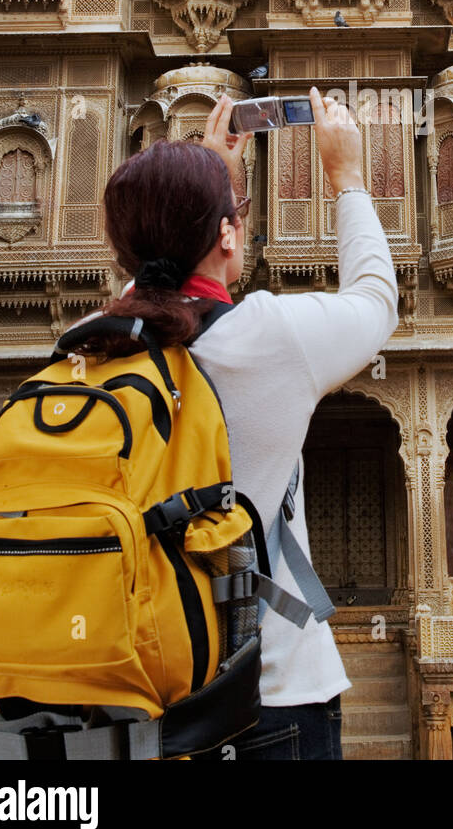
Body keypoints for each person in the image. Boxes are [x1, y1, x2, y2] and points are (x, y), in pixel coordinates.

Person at [89, 85, 399, 760]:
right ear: (228, 234)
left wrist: (203, 188)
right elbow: (375, 300)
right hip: (265, 697)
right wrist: (346, 176)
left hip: (125, 702)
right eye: (234, 218)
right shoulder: (268, 336)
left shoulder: (88, 344)